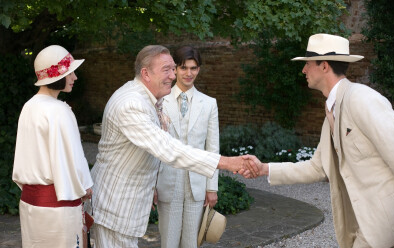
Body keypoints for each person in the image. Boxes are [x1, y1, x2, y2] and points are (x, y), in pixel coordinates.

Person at [90, 45, 257, 248]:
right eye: (167, 69)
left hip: (126, 207)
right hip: (116, 207)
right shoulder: (131, 104)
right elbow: (167, 148)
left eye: (173, 68)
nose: (173, 75)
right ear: (146, 73)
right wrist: (227, 162)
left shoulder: (146, 97)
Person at [246, 33, 394, 248]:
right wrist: (264, 169)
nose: (304, 70)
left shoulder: (363, 98)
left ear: (324, 65)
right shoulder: (330, 112)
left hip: (385, 227)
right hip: (357, 227)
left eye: (308, 64)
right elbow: (317, 168)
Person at [12, 45, 93, 247]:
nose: (75, 77)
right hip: (58, 208)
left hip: (31, 204)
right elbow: (71, 159)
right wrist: (85, 186)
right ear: (58, 76)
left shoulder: (29, 106)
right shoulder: (59, 111)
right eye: (70, 72)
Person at [153, 46, 219, 248]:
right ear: (175, 69)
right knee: (169, 242)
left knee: (192, 242)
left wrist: (212, 187)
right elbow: (153, 147)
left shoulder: (209, 104)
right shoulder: (159, 101)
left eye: (193, 68)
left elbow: (213, 149)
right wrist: (152, 184)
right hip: (166, 182)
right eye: (183, 68)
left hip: (196, 184)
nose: (189, 73)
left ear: (199, 69)